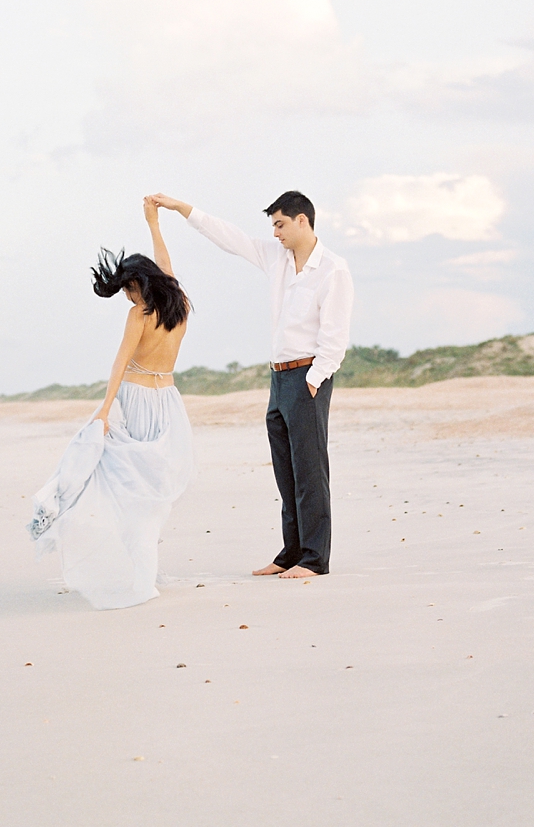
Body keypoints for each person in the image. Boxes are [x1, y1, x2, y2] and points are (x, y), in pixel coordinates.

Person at [147, 191, 353, 579]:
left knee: (310, 471)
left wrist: (313, 380)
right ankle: (291, 552)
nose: (275, 233)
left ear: (302, 221)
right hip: (278, 377)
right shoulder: (276, 258)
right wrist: (180, 209)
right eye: (272, 225)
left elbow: (335, 336)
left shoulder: (333, 270)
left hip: (308, 376)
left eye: (280, 224)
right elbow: (230, 237)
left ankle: (314, 559)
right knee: (285, 471)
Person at [26, 197, 195, 609]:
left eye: (128, 289)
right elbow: (165, 264)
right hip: (169, 400)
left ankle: (61, 512)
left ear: (139, 285)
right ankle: (144, 565)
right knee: (149, 482)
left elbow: (120, 363)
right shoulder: (179, 302)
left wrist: (104, 411)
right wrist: (154, 223)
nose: (126, 297)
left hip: (135, 398)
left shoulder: (140, 314)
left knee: (121, 480)